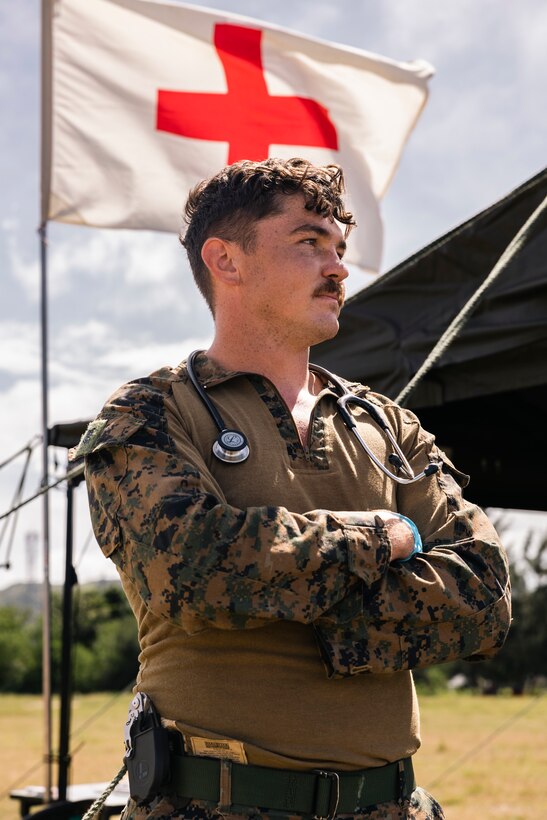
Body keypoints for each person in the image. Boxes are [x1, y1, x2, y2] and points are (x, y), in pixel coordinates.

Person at [74, 158, 511, 819]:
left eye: (338, 249)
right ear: (226, 261)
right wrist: (384, 538)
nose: (337, 268)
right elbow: (197, 571)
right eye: (309, 243)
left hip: (390, 806)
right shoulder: (152, 412)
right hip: (211, 805)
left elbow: (483, 596)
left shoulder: (387, 426)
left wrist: (290, 604)